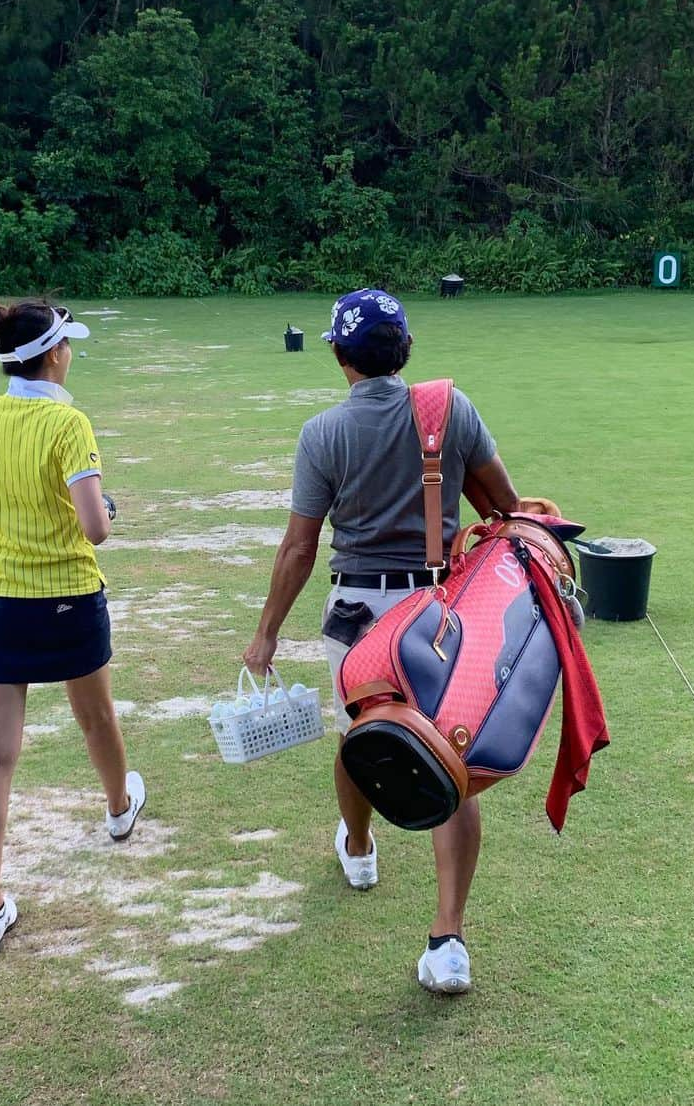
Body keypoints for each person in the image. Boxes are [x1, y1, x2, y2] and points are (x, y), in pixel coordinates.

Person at [242, 288, 520, 995]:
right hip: (442, 615)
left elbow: (301, 549)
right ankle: (448, 940)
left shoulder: (322, 434)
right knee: (449, 758)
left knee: (357, 738)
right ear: (407, 351)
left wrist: (265, 633)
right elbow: (504, 508)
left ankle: (360, 849)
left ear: (339, 357)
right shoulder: (450, 410)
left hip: (358, 618)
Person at [0, 298, 145, 955]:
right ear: (54, 354)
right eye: (69, 348)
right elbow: (96, 527)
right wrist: (102, 506)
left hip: (0, 599)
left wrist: (10, 490)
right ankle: (119, 810)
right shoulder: (70, 423)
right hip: (66, 595)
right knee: (96, 719)